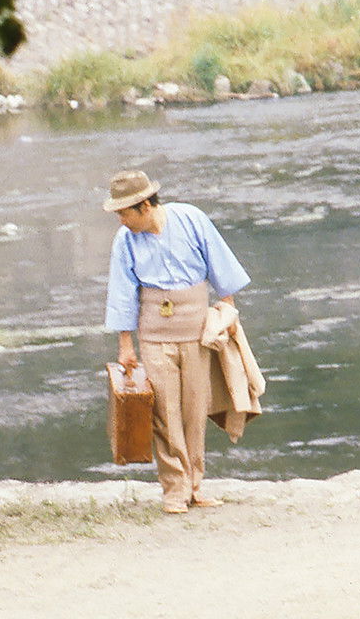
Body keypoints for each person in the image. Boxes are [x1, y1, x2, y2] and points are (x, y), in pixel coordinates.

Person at [103, 169, 251, 514]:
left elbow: (221, 267)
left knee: (194, 410)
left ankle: (195, 484)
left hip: (197, 328)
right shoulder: (125, 241)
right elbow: (122, 292)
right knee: (163, 411)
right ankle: (174, 488)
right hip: (155, 332)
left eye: (124, 212)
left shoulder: (191, 218)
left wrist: (227, 313)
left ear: (144, 206)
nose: (121, 220)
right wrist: (126, 345)